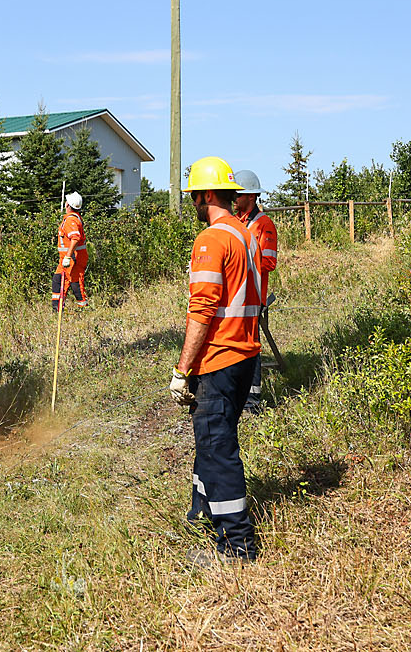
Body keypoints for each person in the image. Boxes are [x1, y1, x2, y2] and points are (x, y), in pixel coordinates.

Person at [169, 156, 263, 562]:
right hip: (245, 355)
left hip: (219, 359)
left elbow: (202, 309)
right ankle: (202, 515)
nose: (193, 203)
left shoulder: (211, 240)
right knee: (209, 442)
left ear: (207, 195)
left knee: (218, 446)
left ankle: (237, 545)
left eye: (194, 196)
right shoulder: (246, 234)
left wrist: (182, 370)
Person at [231, 170, 278, 414]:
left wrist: (240, 260)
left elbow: (269, 262)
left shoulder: (264, 224)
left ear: (251, 196)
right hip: (234, 296)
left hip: (253, 297)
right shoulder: (235, 222)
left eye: (237, 195)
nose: (233, 198)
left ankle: (252, 401)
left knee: (250, 346)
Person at [53, 191, 89, 311]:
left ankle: (60, 309)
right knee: (68, 281)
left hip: (72, 258)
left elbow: (75, 238)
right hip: (72, 257)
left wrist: (68, 257)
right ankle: (59, 309)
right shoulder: (74, 218)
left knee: (68, 282)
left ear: (68, 205)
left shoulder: (71, 220)